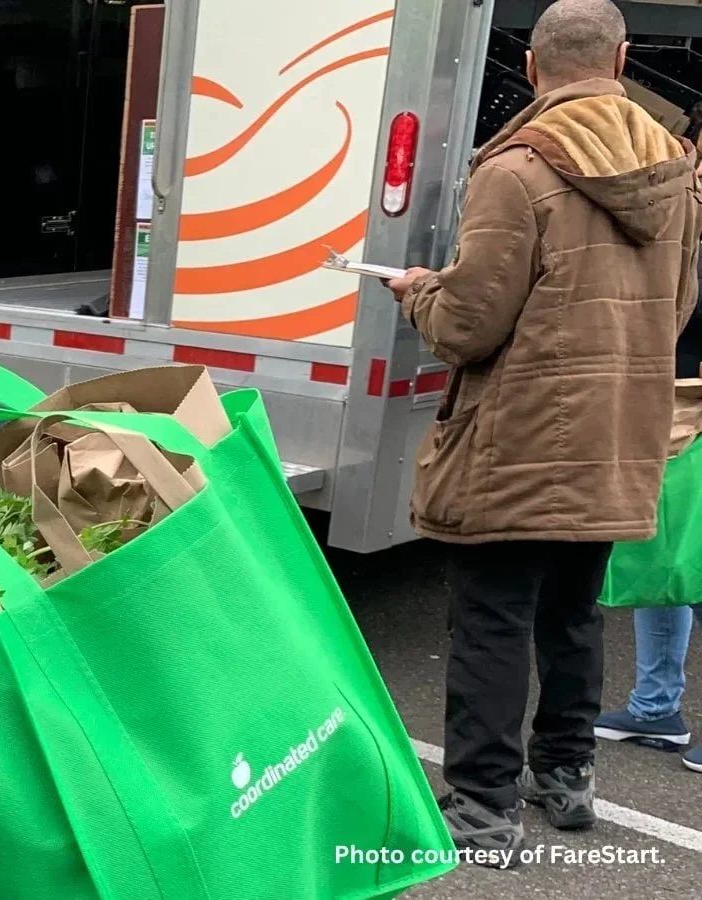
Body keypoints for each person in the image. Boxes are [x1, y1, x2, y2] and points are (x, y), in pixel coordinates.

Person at [385, 0, 702, 864]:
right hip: (619, 436)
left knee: (491, 621)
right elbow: (676, 308)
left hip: (518, 440)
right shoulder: (678, 167)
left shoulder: (516, 168)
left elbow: (468, 326)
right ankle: (566, 779)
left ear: (530, 67)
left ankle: (484, 809)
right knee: (572, 616)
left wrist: (419, 291)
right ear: (622, 56)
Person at [593, 204, 702, 775]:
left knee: (694, 564)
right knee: (662, 560)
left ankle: (656, 704)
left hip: (693, 413)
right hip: (667, 410)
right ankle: (655, 707)